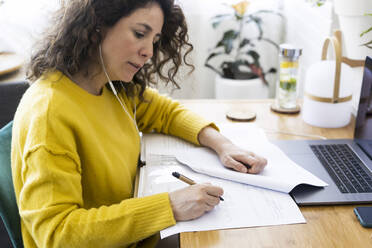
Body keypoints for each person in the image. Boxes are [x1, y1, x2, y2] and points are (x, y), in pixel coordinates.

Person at [11, 0, 267, 247]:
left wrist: (223, 145)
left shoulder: (109, 86)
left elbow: (165, 112)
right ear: (95, 25)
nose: (149, 51)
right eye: (139, 33)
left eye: (154, 40)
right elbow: (56, 234)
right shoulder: (50, 114)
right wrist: (170, 206)